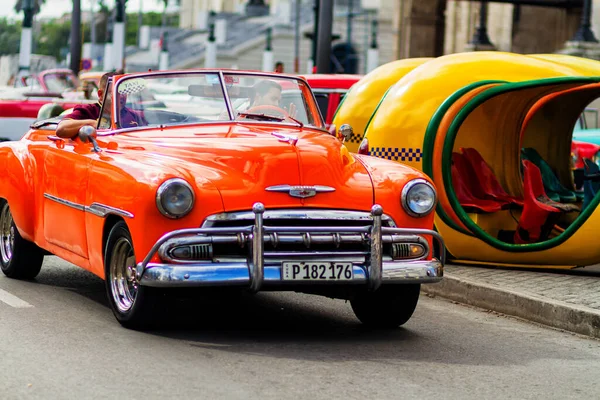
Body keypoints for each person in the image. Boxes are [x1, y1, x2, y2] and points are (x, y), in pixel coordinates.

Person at [56, 72, 115, 139]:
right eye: (113, 93)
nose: (121, 96)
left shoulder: (128, 114)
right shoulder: (88, 110)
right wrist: (92, 123)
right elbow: (61, 128)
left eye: (123, 92)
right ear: (100, 94)